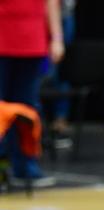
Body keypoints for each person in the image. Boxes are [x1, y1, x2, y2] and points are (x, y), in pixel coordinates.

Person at [0, 0, 63, 187]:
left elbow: (52, 2)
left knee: (28, 109)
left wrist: (57, 38)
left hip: (32, 41)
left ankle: (25, 166)